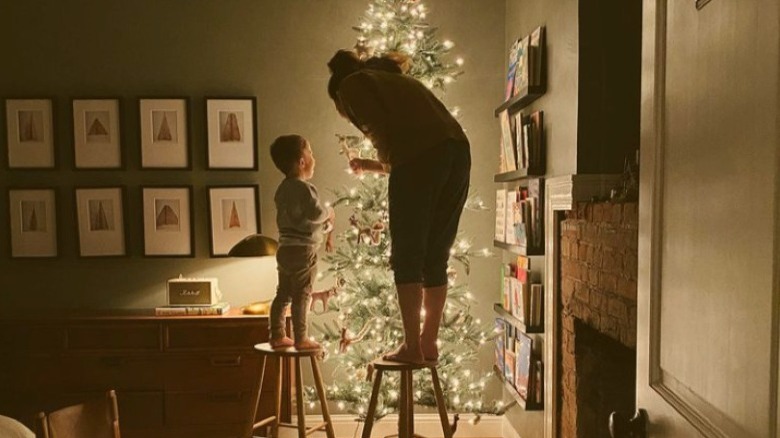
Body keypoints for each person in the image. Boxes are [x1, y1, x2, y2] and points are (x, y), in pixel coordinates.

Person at [327, 49, 471, 364]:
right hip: (458, 152)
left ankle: (412, 347)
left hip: (423, 157)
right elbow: (422, 153)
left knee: (407, 256)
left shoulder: (350, 85)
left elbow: (401, 149)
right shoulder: (394, 80)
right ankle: (428, 342)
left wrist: (377, 156)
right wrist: (373, 165)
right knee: (435, 255)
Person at [269, 134, 334, 350]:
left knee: (283, 293)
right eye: (311, 153)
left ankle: (277, 334)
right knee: (303, 292)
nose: (314, 158)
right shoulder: (304, 189)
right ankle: (301, 338)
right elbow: (315, 213)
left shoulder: (282, 190)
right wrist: (328, 213)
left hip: (285, 248)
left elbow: (299, 220)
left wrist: (323, 227)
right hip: (303, 250)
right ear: (302, 161)